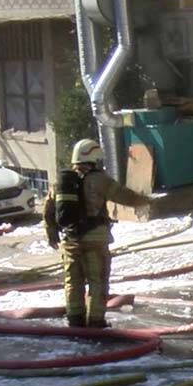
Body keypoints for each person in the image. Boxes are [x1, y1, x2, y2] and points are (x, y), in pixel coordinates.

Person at [43, 139, 151, 328]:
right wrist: (146, 200)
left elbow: (48, 209)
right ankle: (95, 322)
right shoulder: (99, 180)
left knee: (73, 281)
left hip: (70, 240)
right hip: (95, 240)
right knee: (97, 281)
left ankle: (75, 320)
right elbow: (124, 196)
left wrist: (51, 233)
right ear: (94, 157)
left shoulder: (62, 181)